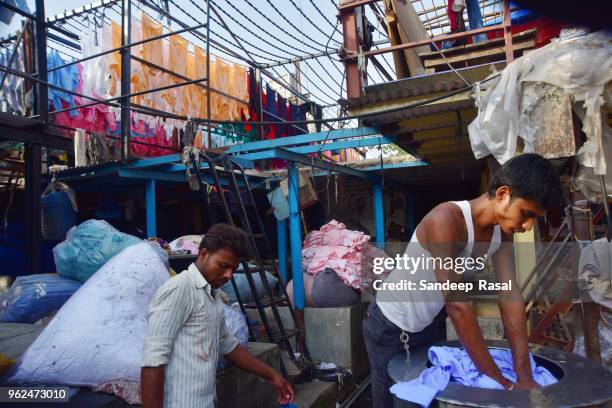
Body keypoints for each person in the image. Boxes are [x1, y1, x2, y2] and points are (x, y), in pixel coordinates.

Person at [363, 153, 564, 408]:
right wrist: (503, 383)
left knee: (425, 397)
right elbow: (458, 306)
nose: (527, 226)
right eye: (526, 213)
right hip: (388, 324)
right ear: (503, 194)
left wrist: (523, 374)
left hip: (426, 324)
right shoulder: (446, 220)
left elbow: (510, 297)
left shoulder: (501, 234)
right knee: (390, 396)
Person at [140, 223, 294, 408]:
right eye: (223, 265)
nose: (228, 275)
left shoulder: (213, 296)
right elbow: (153, 361)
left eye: (233, 268)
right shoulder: (179, 290)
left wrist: (272, 375)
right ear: (204, 254)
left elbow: (227, 345)